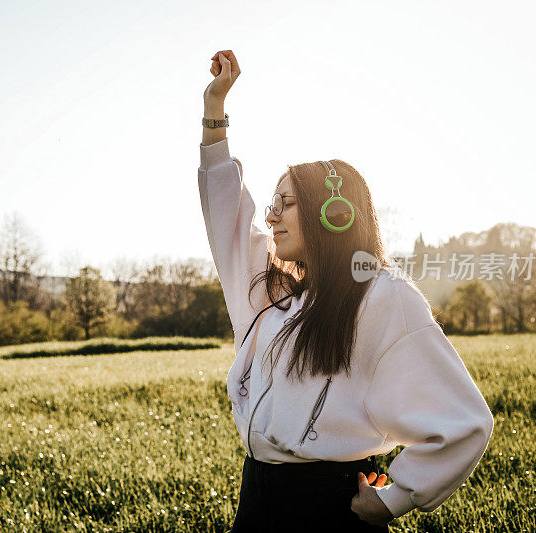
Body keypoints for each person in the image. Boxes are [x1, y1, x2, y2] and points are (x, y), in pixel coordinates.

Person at [198, 50, 495, 531]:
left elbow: (465, 422)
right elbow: (224, 215)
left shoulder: (383, 297)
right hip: (256, 497)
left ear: (333, 214)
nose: (270, 215)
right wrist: (214, 110)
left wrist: (395, 498)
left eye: (286, 203)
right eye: (272, 203)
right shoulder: (272, 293)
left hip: (330, 505)